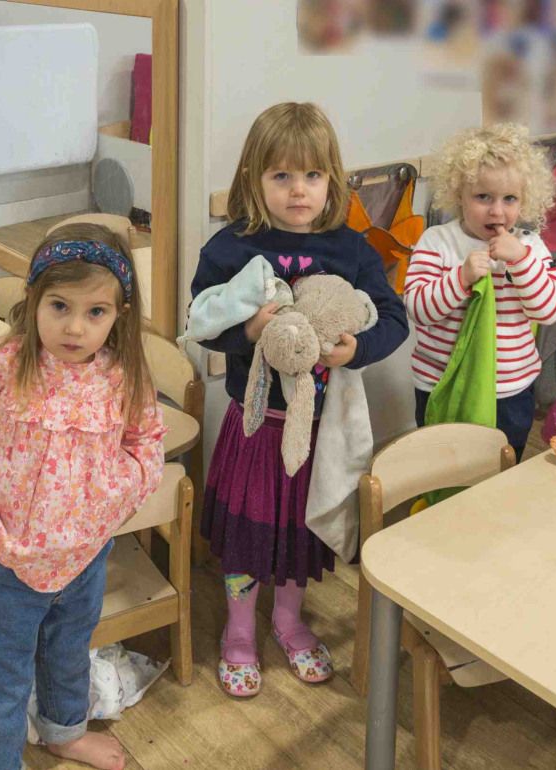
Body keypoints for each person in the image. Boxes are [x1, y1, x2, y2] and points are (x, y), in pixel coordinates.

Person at [0, 223, 165, 770]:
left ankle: (63, 732)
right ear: (33, 299)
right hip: (8, 561)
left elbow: (146, 439)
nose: (75, 327)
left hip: (85, 557)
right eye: (59, 305)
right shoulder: (6, 362)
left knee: (67, 652)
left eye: (95, 313)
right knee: (2, 679)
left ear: (119, 315)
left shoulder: (124, 375)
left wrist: (117, 494)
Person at [190, 102, 408, 698]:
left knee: (299, 529)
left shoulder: (352, 248)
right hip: (256, 425)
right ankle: (239, 632)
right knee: (248, 533)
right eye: (281, 176)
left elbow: (394, 318)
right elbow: (201, 318)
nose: (297, 190)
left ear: (331, 179)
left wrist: (351, 350)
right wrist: (249, 333)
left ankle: (287, 621)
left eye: (311, 176)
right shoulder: (231, 248)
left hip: (321, 429)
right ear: (254, 180)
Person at [404, 122, 556, 460]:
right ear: (458, 194)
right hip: (443, 386)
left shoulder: (530, 247)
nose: (496, 210)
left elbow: (551, 310)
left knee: (503, 468)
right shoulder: (437, 242)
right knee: (443, 467)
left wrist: (521, 261)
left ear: (525, 201)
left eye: (509, 199)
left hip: (510, 390)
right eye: (483, 197)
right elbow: (418, 308)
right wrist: (459, 278)